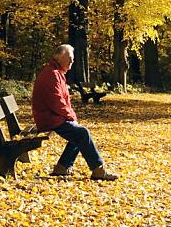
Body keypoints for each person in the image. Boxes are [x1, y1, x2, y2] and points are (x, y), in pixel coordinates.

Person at [32, 44, 119, 180]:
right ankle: (98, 171)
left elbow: (62, 101)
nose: (72, 62)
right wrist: (71, 116)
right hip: (49, 118)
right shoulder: (52, 74)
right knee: (82, 133)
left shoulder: (57, 73)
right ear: (59, 58)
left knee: (78, 133)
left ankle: (62, 167)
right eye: (70, 59)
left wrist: (71, 116)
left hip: (53, 116)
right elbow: (57, 102)